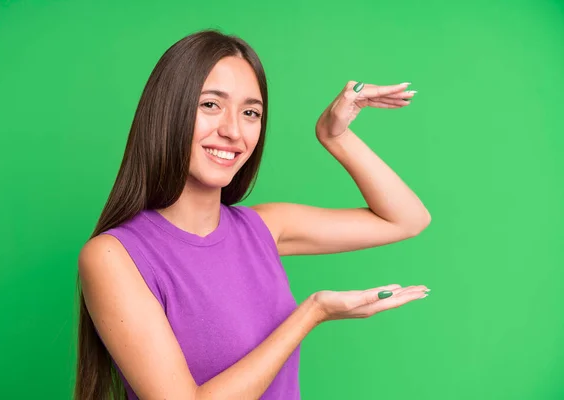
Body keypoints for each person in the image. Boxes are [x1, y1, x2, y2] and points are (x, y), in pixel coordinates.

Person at [75, 29, 431, 400]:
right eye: (210, 105)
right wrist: (311, 313)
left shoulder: (263, 228)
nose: (233, 131)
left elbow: (406, 219)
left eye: (250, 113)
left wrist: (334, 136)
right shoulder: (114, 257)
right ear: (169, 111)